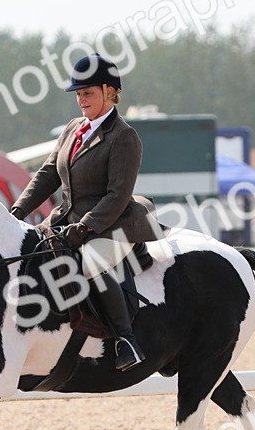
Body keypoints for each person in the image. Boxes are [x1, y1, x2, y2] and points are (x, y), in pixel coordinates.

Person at [9, 54, 162, 371]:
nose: (81, 100)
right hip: (66, 221)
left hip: (113, 224)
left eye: (87, 93)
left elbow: (117, 195)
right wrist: (18, 210)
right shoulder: (73, 129)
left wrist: (86, 227)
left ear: (110, 92)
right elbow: (48, 175)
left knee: (90, 264)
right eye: (78, 94)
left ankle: (125, 340)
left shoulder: (123, 136)